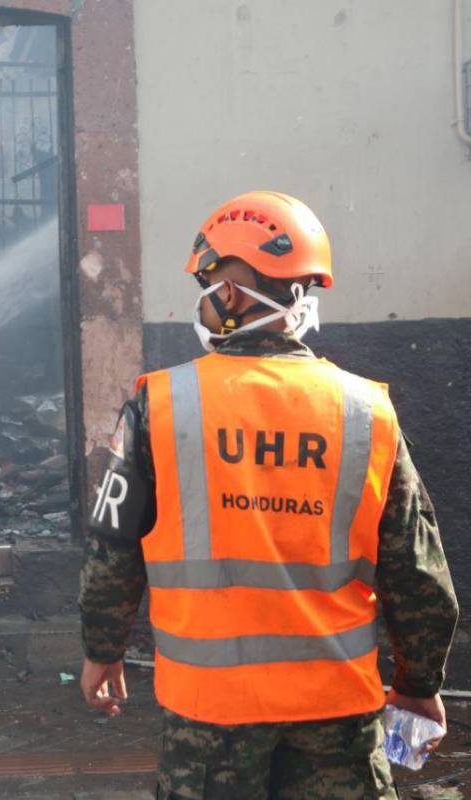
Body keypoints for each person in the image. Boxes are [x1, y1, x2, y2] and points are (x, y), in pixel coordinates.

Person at [77, 191, 458, 799]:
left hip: (209, 717)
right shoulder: (367, 412)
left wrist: (102, 650)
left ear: (228, 295)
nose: (202, 303)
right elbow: (419, 575)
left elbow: (113, 551)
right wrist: (417, 686)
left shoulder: (160, 407)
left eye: (207, 285)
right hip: (338, 716)